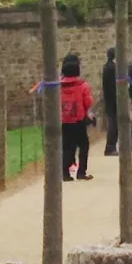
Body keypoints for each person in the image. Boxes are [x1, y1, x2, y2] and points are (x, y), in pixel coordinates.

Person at [59, 53, 94, 181]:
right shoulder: (83, 86)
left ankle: (65, 173)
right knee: (84, 145)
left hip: (65, 120)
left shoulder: (58, 86)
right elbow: (88, 102)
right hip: (79, 120)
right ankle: (81, 172)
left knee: (68, 147)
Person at [101, 48, 119, 156]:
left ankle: (111, 146)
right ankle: (110, 147)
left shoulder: (107, 67)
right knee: (113, 124)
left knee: (113, 123)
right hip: (112, 100)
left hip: (109, 99)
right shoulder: (112, 68)